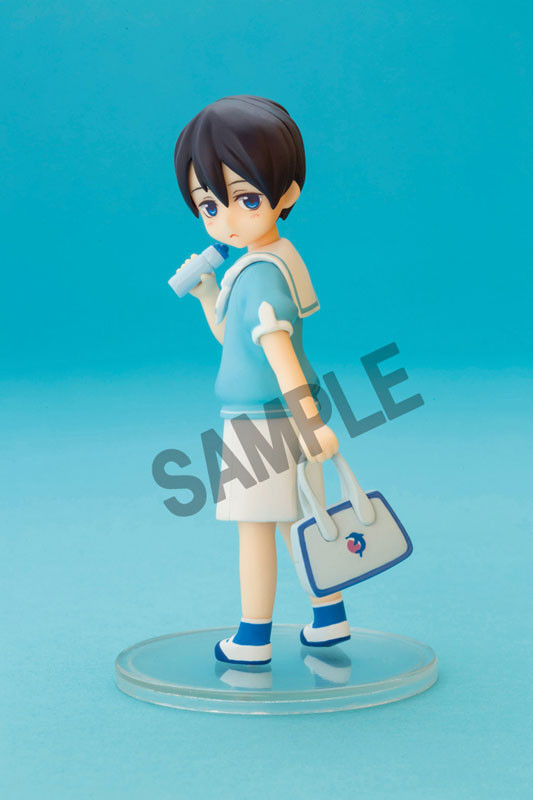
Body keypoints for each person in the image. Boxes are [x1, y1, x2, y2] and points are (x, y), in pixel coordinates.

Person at [173, 95, 350, 664]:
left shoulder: (260, 275)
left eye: (246, 199)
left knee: (254, 528)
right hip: (282, 417)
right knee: (300, 519)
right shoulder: (269, 260)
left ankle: (252, 638)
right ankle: (329, 616)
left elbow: (277, 351)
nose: (226, 218)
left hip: (263, 423)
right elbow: (239, 341)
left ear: (286, 194)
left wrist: (311, 422)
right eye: (209, 204)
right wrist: (208, 295)